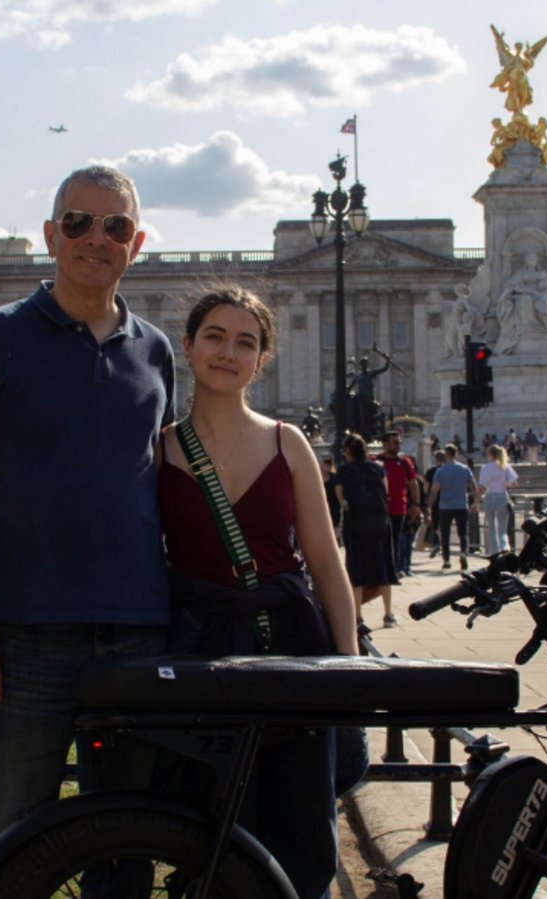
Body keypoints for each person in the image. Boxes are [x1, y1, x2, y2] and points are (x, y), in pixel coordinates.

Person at [0, 165, 177, 866]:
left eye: (115, 226)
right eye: (78, 223)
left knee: (126, 845)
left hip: (136, 632)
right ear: (50, 235)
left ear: (137, 243)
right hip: (23, 637)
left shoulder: (157, 351)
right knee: (4, 846)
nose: (96, 238)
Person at [158, 287, 357, 897]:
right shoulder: (158, 446)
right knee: (213, 824)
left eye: (246, 342)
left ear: (261, 360)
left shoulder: (287, 441)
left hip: (291, 641)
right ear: (188, 347)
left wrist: (349, 662)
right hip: (201, 649)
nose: (228, 352)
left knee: (302, 819)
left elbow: (325, 561)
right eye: (215, 337)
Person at [335, 432, 399, 626]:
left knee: (356, 571)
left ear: (347, 451)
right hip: (380, 525)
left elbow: (341, 500)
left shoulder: (343, 472)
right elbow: (385, 492)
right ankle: (388, 614)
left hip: (355, 526)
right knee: (384, 568)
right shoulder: (378, 468)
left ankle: (357, 616)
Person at [378, 432, 421, 577]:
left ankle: (393, 570)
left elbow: (413, 484)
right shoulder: (376, 461)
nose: (398, 445)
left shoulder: (404, 462)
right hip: (379, 510)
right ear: (385, 444)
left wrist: (416, 504)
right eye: (395, 442)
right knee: (380, 540)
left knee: (395, 540)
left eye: (399, 442)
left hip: (398, 508)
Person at [427, 445, 477, 570]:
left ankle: (447, 560)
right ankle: (463, 553)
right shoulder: (464, 469)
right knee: (463, 533)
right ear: (456, 454)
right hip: (461, 505)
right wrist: (476, 502)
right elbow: (473, 486)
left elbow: (434, 491)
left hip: (445, 506)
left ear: (446, 455)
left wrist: (428, 505)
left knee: (445, 534)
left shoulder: (440, 471)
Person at [477, 444, 518, 553]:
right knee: (502, 527)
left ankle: (494, 551)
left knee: (491, 526)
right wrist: (505, 484)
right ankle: (504, 545)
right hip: (502, 495)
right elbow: (514, 483)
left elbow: (482, 486)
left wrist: (476, 500)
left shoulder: (486, 468)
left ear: (490, 454)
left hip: (490, 495)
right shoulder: (505, 466)